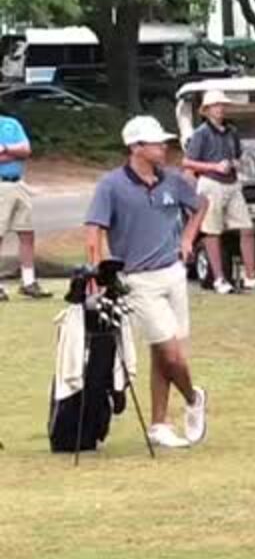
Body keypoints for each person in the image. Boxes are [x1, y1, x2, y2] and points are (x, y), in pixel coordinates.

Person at [84, 116, 209, 449]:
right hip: (137, 279)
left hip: (173, 273)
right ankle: (193, 397)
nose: (163, 147)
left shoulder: (172, 180)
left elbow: (200, 205)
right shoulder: (111, 185)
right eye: (156, 143)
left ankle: (159, 424)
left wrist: (187, 238)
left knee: (162, 354)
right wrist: (97, 275)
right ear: (136, 147)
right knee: (170, 352)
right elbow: (94, 231)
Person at [182, 90, 255, 294]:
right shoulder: (201, 133)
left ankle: (250, 277)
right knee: (212, 232)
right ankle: (219, 279)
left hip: (232, 183)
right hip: (211, 183)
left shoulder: (231, 131)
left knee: (247, 228)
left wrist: (236, 163)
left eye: (222, 105)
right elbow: (188, 162)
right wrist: (214, 166)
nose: (221, 109)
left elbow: (238, 157)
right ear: (207, 110)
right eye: (216, 105)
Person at [0, 109, 52, 301]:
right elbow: (17, 153)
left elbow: (26, 150)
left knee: (27, 233)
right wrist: (14, 152)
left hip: (19, 184)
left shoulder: (11, 124)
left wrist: (5, 149)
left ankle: (29, 282)